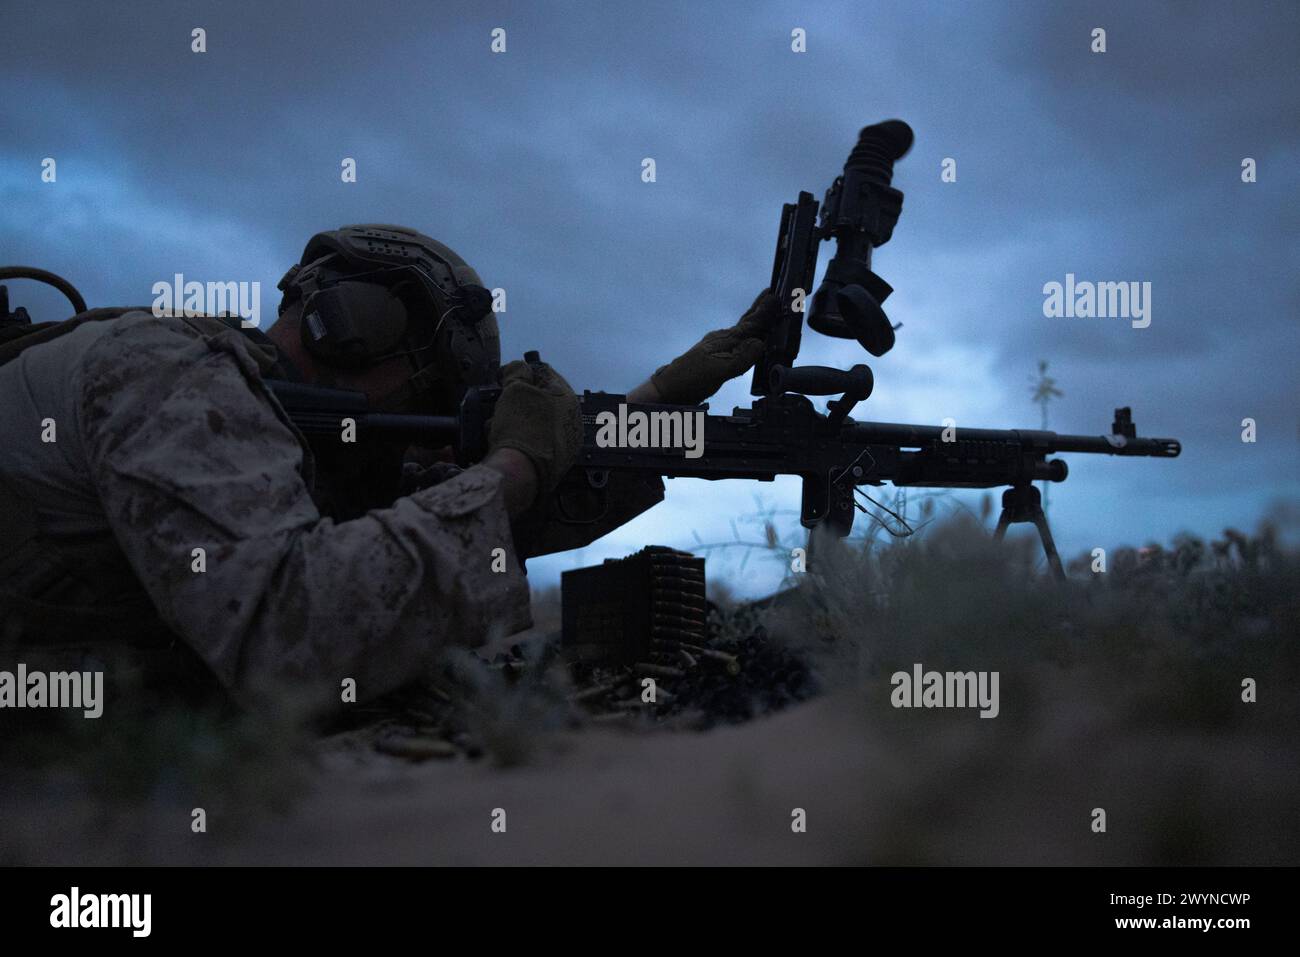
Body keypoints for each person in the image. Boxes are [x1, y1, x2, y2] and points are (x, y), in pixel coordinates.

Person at [0, 224, 776, 711]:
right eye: (431, 393)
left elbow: (392, 541)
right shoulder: (173, 375)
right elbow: (288, 632)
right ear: (355, 329)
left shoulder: (267, 427)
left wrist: (651, 406)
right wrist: (509, 468)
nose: (429, 448)